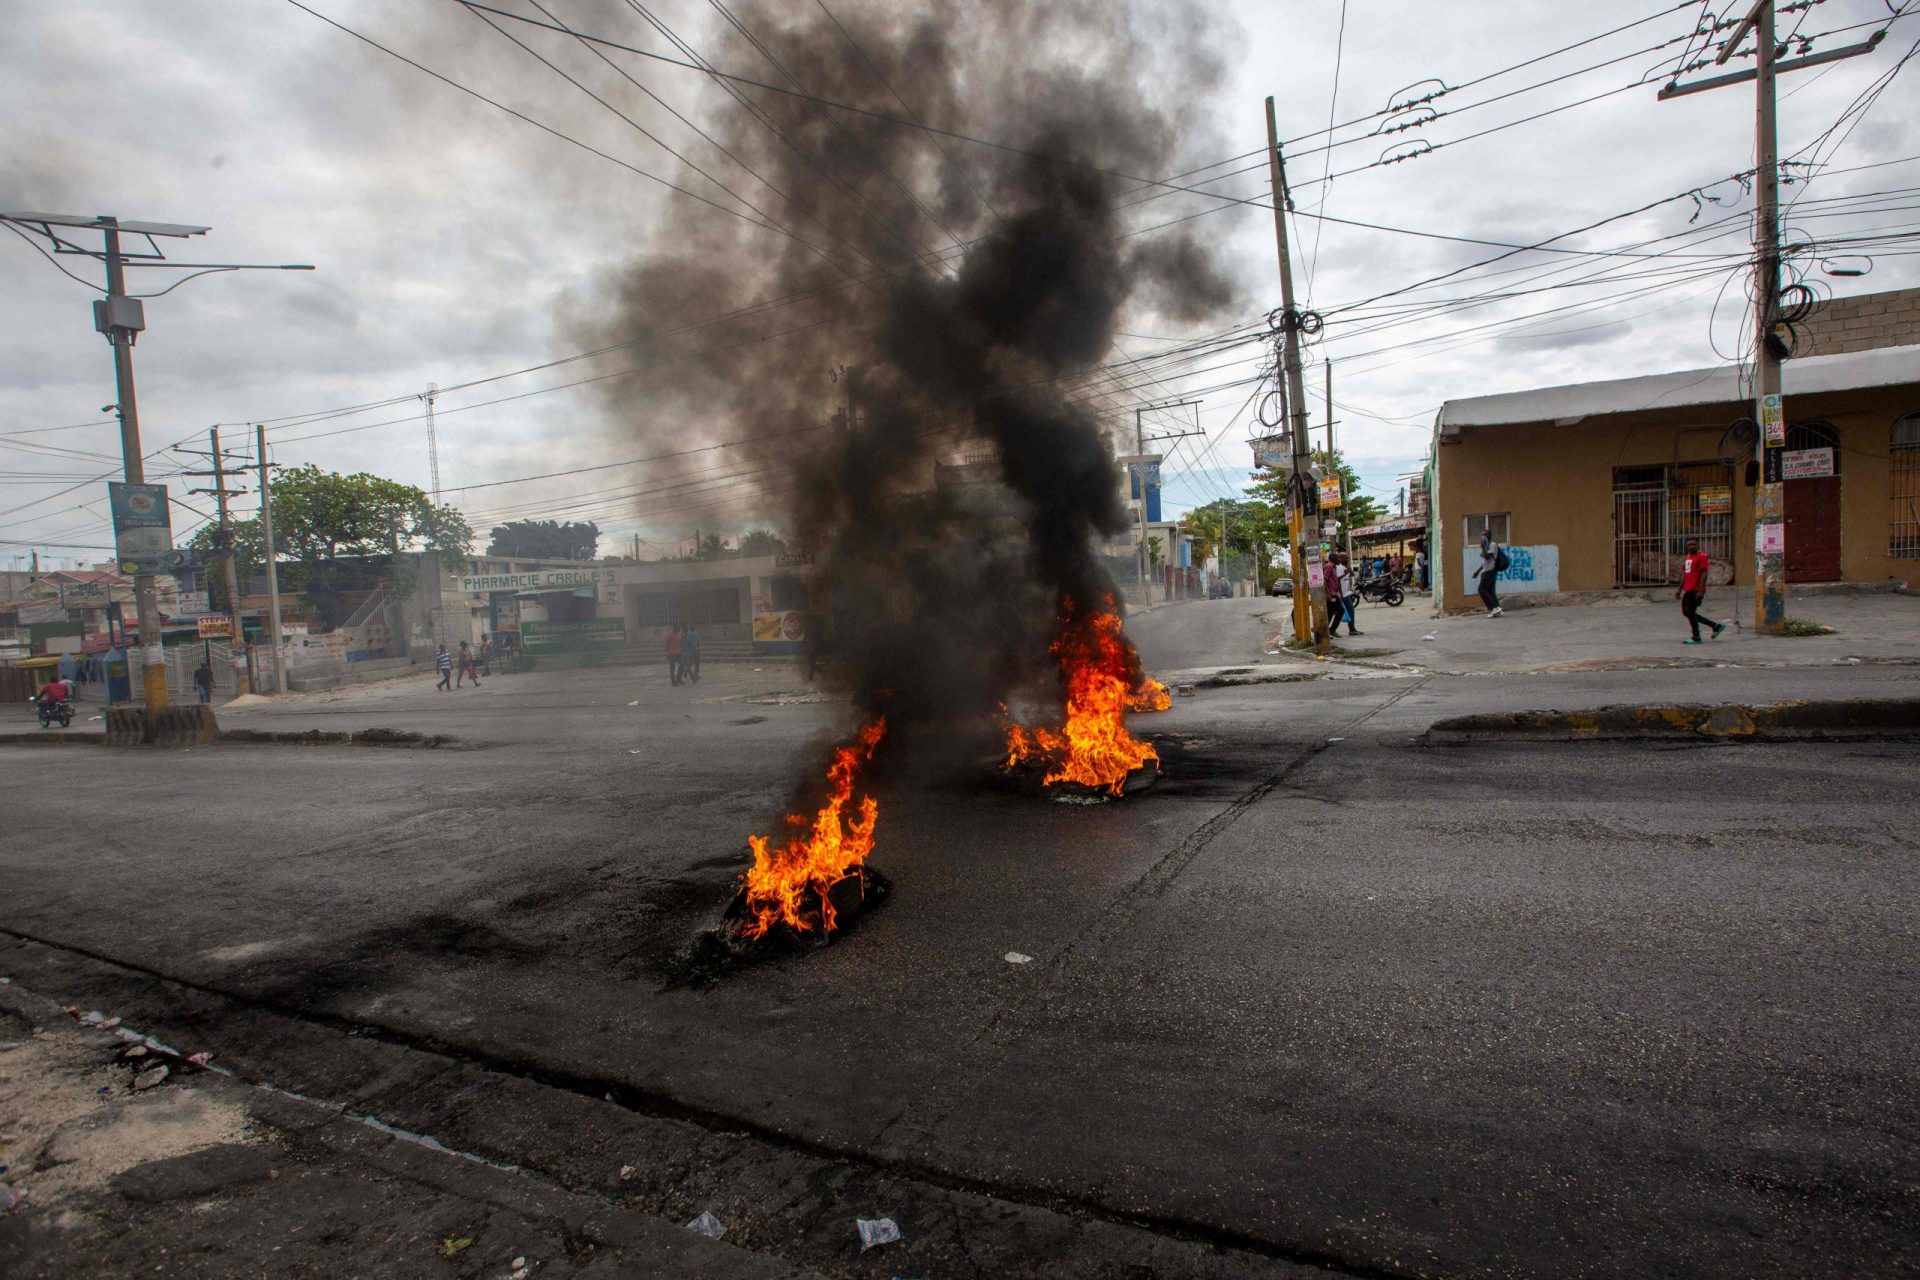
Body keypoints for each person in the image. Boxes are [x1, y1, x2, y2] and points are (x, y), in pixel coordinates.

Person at [1676, 537, 1728, 644]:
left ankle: (1696, 636)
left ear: (1698, 545)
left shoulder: (1702, 557)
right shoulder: (1688, 557)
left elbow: (1704, 574)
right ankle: (1715, 626)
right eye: (1689, 545)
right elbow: (1685, 574)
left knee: (1690, 612)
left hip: (1696, 589)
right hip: (1688, 588)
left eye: (1693, 544)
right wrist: (1679, 588)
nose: (1691, 546)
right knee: (1687, 612)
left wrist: (1700, 590)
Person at [1474, 531, 1504, 617]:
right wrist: (1477, 571)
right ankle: (1498, 609)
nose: (1483, 536)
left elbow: (1488, 557)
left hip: (1489, 572)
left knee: (1481, 590)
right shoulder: (1488, 545)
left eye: (1485, 535)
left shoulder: (1492, 544)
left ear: (1489, 536)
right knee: (1490, 591)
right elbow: (1485, 562)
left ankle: (1494, 608)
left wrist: (1483, 547)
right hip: (1487, 571)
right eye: (1482, 534)